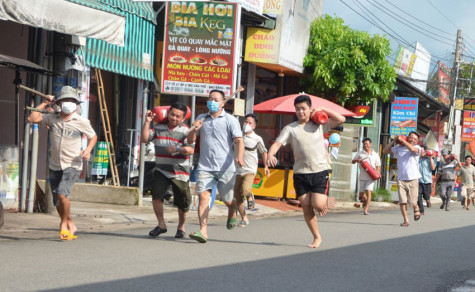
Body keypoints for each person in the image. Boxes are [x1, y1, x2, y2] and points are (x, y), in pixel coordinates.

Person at [266, 95, 345, 248]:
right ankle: (316, 237)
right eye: (297, 109)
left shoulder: (320, 124)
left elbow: (341, 119)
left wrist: (323, 110)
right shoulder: (291, 128)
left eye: (303, 108)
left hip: (319, 171)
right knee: (306, 205)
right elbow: (277, 143)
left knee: (317, 205)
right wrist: (270, 153)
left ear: (310, 108)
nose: (300, 112)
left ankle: (322, 204)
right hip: (300, 173)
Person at [28, 86, 97, 240]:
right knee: (57, 200)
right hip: (55, 164)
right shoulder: (52, 117)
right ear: (59, 103)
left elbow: (93, 137)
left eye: (71, 100)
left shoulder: (81, 121)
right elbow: (32, 118)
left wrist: (88, 150)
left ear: (76, 104)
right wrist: (45, 102)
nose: (68, 103)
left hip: (72, 163)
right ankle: (69, 222)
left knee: (61, 194)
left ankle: (63, 224)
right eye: (65, 100)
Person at [186, 89, 244, 243]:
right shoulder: (201, 118)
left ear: (223, 102)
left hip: (226, 167)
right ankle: (203, 231)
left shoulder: (230, 120)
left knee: (227, 199)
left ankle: (232, 208)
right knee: (203, 196)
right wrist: (194, 129)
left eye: (215, 99)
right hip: (205, 166)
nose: (212, 101)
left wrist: (239, 156)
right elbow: (190, 140)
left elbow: (239, 140)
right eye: (209, 99)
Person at [141, 102, 194, 239]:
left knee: (182, 200)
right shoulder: (158, 128)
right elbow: (144, 139)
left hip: (180, 171)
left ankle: (181, 226)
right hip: (161, 169)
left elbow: (191, 149)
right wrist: (147, 123)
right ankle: (161, 224)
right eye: (172, 114)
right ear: (168, 113)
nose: (174, 118)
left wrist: (178, 149)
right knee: (157, 195)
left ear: (183, 119)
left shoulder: (186, 131)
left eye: (178, 116)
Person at [234, 113, 270, 227]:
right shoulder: (237, 136)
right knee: (237, 197)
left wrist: (266, 166)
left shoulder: (257, 138)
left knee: (245, 190)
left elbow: (264, 152)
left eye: (250, 123)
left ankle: (250, 196)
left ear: (254, 126)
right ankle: (244, 218)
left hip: (250, 169)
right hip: (237, 170)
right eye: (245, 122)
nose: (247, 124)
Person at [383, 132, 422, 227]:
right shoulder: (399, 148)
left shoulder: (418, 148)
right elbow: (385, 151)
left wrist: (403, 141)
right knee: (402, 202)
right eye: (411, 138)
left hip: (413, 178)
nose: (412, 140)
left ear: (417, 141)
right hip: (401, 179)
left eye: (415, 139)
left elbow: (412, 149)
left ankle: (416, 207)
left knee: (413, 202)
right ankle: (406, 220)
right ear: (408, 137)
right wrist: (394, 140)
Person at [352, 137, 381, 215]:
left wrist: (377, 172)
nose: (365, 146)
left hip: (371, 177)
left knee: (368, 192)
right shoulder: (360, 153)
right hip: (362, 177)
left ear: (370, 144)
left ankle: (366, 210)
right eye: (364, 144)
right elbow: (353, 161)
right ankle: (365, 201)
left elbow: (378, 165)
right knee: (361, 195)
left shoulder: (375, 154)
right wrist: (357, 160)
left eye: (367, 144)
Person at [418, 145, 436, 215]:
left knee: (426, 195)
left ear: (425, 151)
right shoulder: (417, 159)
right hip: (419, 181)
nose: (420, 152)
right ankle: (421, 210)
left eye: (422, 150)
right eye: (419, 150)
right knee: (418, 196)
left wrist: (431, 158)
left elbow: (433, 168)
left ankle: (428, 200)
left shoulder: (428, 159)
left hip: (427, 181)